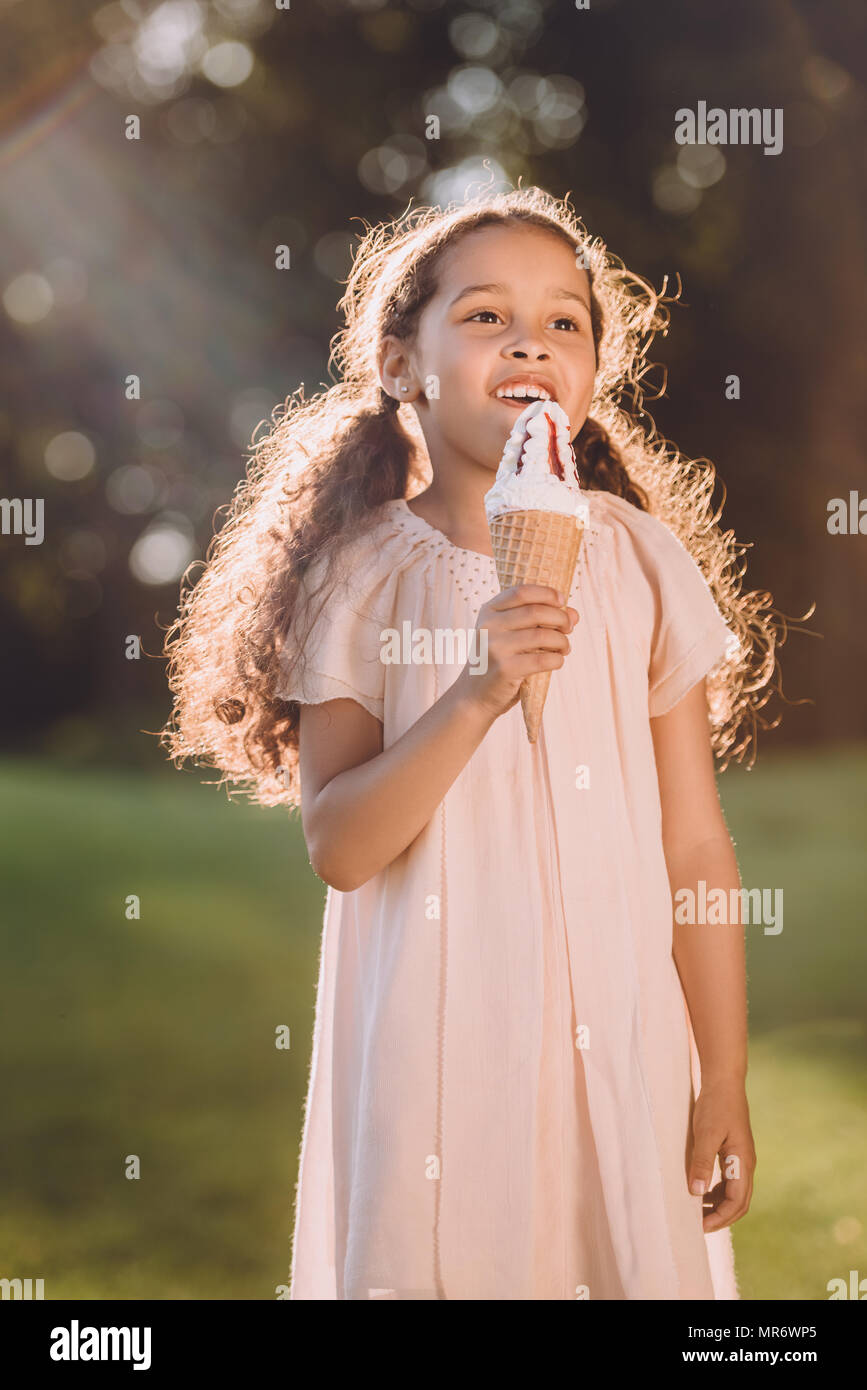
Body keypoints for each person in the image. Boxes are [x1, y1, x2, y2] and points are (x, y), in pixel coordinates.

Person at [162, 186, 783, 1300]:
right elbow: (342, 846)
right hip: (438, 1050)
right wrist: (477, 691)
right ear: (402, 362)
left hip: (626, 1044)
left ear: (593, 374)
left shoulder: (639, 560)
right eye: (487, 316)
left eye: (565, 324)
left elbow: (694, 848)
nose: (531, 343)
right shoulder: (360, 575)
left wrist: (723, 1071)